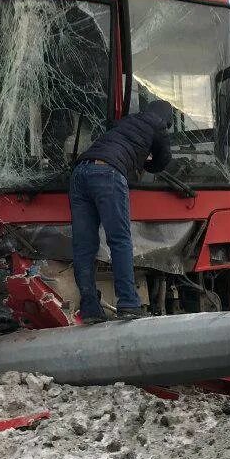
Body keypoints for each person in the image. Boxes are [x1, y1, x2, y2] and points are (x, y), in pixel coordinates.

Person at [69, 99, 174, 324]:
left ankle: (90, 309)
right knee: (119, 240)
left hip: (79, 173)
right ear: (167, 118)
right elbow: (163, 160)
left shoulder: (128, 121)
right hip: (108, 173)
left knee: (84, 247)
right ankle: (128, 303)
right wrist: (146, 165)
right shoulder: (158, 125)